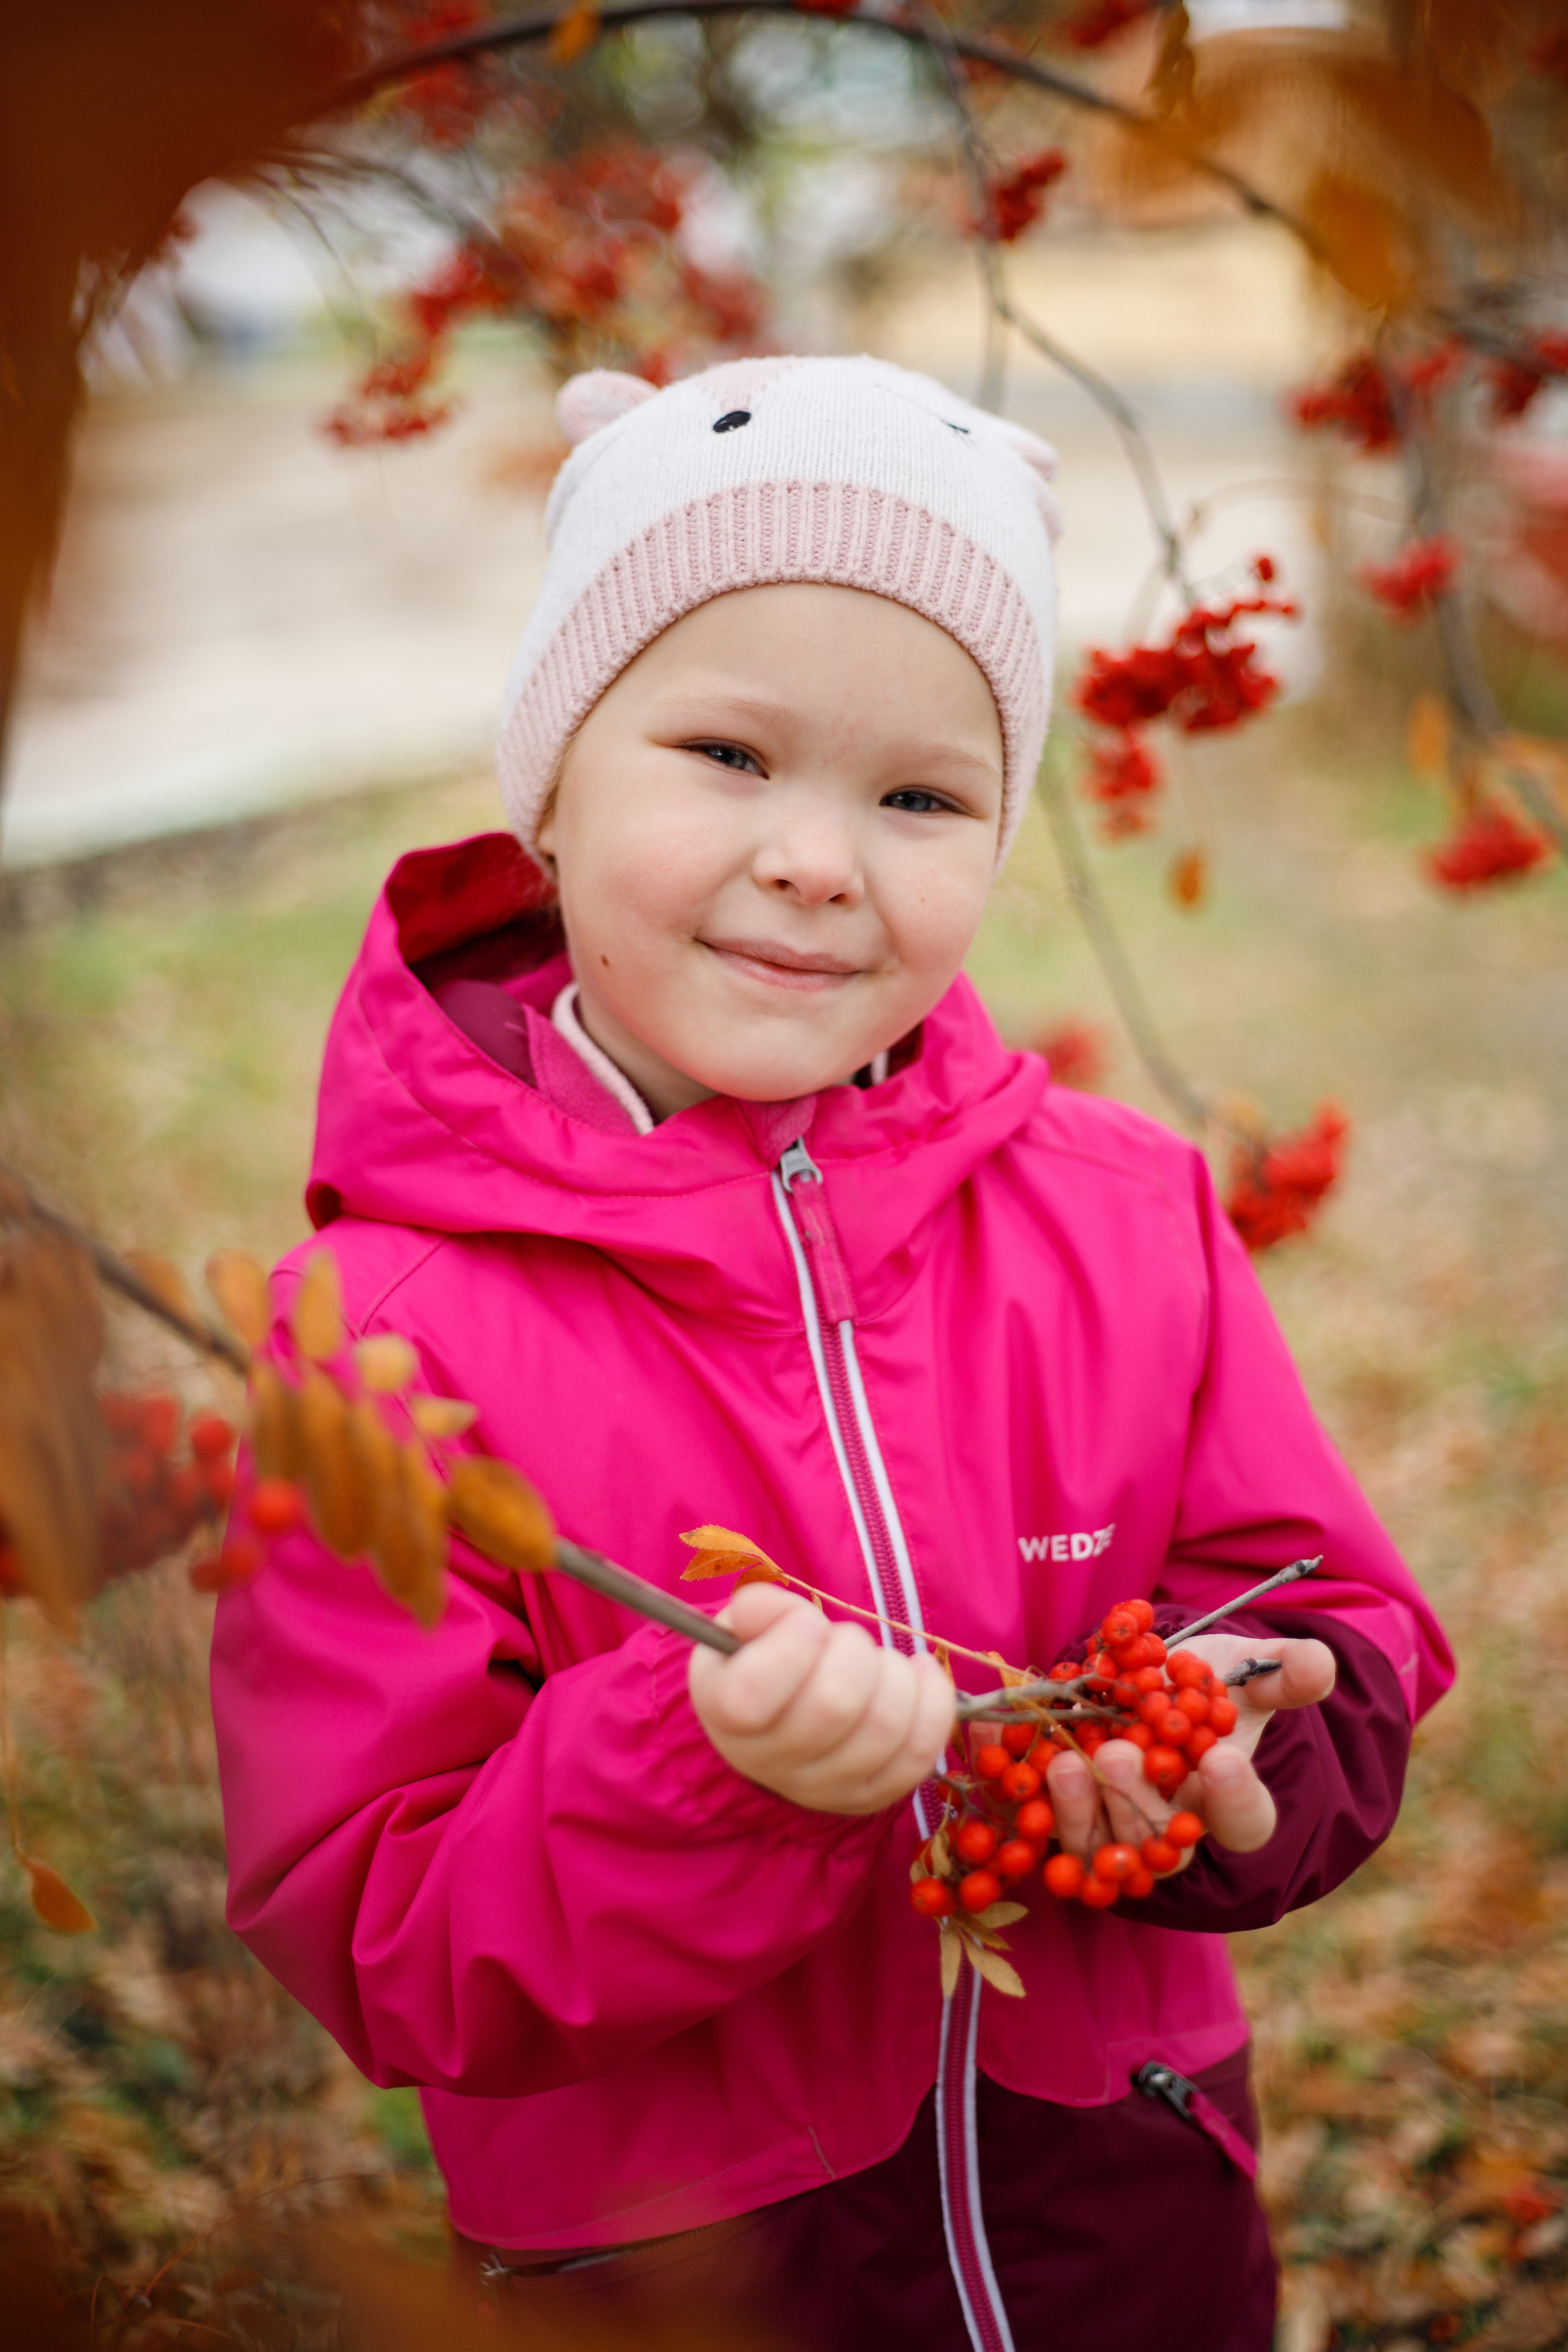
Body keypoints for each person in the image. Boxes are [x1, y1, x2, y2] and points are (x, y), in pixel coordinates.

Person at [211, 355, 1452, 2352]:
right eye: (726, 754)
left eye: (919, 796)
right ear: (550, 784)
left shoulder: (1130, 1210)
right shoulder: (381, 1341)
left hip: (1119, 2224)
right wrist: (712, 1777)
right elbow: (378, 1930)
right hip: (689, 2285)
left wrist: (1251, 1731)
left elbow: (1326, 1598)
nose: (817, 858)